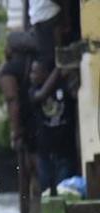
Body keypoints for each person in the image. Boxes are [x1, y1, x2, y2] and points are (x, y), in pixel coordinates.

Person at [0, 31, 37, 213]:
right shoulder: (37, 64)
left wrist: (16, 133)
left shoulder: (9, 71)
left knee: (26, 188)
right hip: (46, 129)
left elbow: (13, 102)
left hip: (27, 135)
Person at [29, 59, 77, 194]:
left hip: (65, 152)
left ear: (45, 73)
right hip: (45, 153)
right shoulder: (33, 91)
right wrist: (58, 69)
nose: (31, 76)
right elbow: (41, 96)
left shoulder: (64, 87)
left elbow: (75, 94)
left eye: (35, 72)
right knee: (47, 194)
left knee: (65, 191)